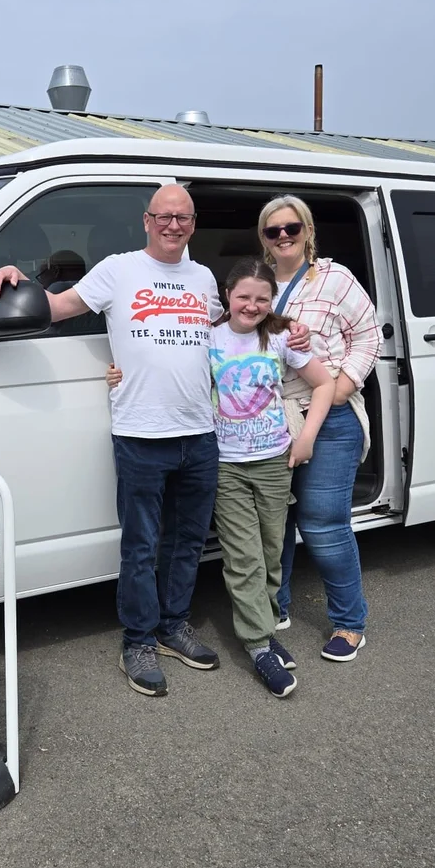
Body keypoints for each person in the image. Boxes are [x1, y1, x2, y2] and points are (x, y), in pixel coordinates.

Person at [0, 187, 309, 697]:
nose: (174, 225)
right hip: (141, 433)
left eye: (183, 217)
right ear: (147, 221)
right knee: (140, 546)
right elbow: (59, 306)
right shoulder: (119, 269)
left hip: (200, 434)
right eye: (164, 216)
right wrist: (13, 279)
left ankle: (174, 626)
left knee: (187, 544)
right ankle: (138, 640)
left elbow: (240, 323)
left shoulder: (204, 279)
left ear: (193, 224)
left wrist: (292, 329)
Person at [109, 258, 335, 697]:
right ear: (226, 296)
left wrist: (306, 438)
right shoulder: (206, 336)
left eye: (262, 299)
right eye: (243, 296)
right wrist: (117, 373)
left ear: (272, 302)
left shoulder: (280, 337)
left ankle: (265, 626)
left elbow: (324, 383)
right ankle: (259, 646)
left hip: (274, 461)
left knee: (271, 553)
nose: (251, 305)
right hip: (225, 463)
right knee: (244, 557)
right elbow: (161, 358)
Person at [257, 195, 383, 662]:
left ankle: (350, 623)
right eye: (273, 230)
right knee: (276, 521)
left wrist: (342, 387)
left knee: (323, 523)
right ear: (263, 238)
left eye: (292, 228)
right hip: (271, 416)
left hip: (327, 413)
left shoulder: (335, 278)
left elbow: (368, 336)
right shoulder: (258, 282)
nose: (283, 236)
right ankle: (276, 607)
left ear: (308, 231)